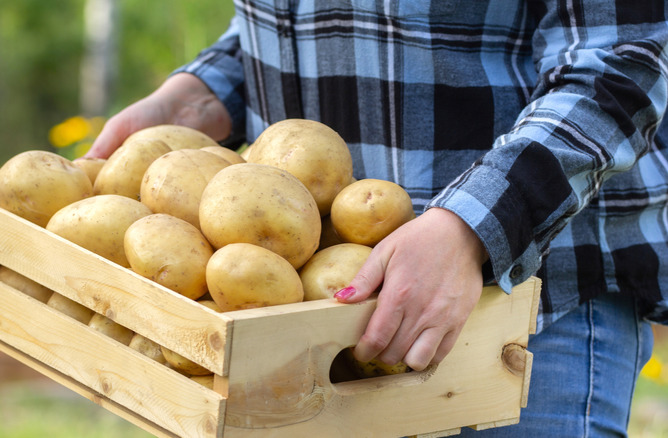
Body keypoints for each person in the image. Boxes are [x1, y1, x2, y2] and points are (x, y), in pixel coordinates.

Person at [87, 1, 668, 435]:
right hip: (304, 323)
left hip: (523, 307)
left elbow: (623, 60)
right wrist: (202, 94)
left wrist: (469, 228)